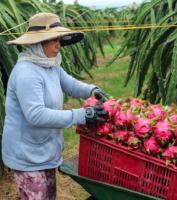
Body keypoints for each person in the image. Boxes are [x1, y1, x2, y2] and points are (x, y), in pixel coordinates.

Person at [1, 12, 108, 200]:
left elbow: (70, 84)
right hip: (26, 154)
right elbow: (36, 115)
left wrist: (92, 91)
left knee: (49, 196)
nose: (58, 45)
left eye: (59, 39)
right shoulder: (27, 72)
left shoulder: (50, 65)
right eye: (52, 40)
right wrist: (81, 115)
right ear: (37, 42)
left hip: (43, 149)